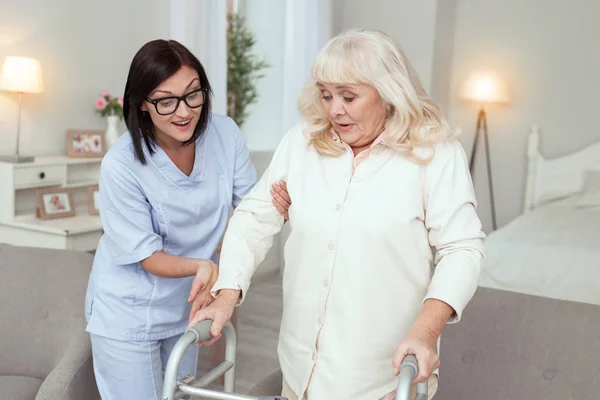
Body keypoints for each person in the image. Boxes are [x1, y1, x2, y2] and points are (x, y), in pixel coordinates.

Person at [190, 29, 486, 400]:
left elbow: (462, 250)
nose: (334, 109)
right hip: (301, 372)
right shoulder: (302, 142)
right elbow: (253, 218)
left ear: (388, 92)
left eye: (349, 96)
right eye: (326, 94)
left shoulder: (434, 153)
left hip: (383, 378)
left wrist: (426, 332)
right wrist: (225, 294)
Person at [84, 39, 288, 400]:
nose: (184, 111)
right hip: (129, 312)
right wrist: (204, 266)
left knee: (180, 395)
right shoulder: (121, 164)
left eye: (194, 95)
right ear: (142, 105)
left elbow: (249, 209)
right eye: (166, 101)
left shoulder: (225, 134)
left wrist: (281, 204)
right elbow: (146, 255)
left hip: (187, 304)